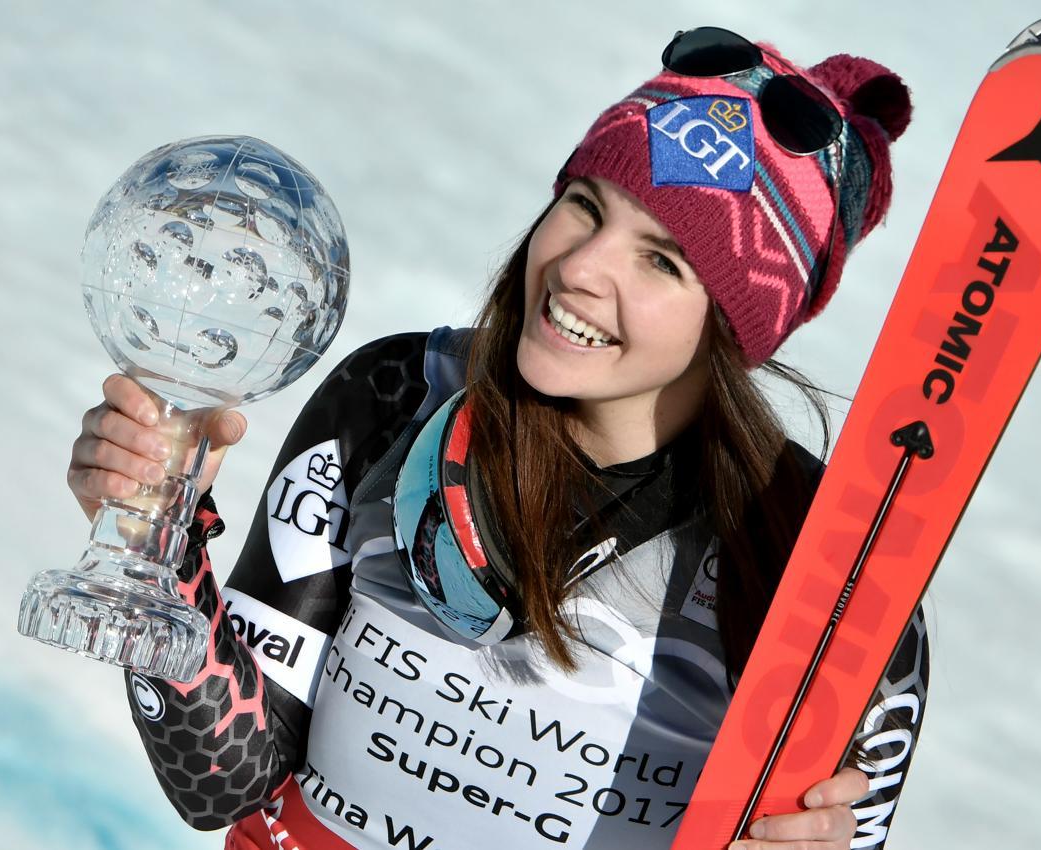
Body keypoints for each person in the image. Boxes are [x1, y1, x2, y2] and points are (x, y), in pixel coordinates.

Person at [69, 27, 927, 850]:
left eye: (660, 261)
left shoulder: (820, 558)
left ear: (735, 328)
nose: (582, 268)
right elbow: (223, 782)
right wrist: (156, 537)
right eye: (584, 207)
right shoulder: (396, 399)